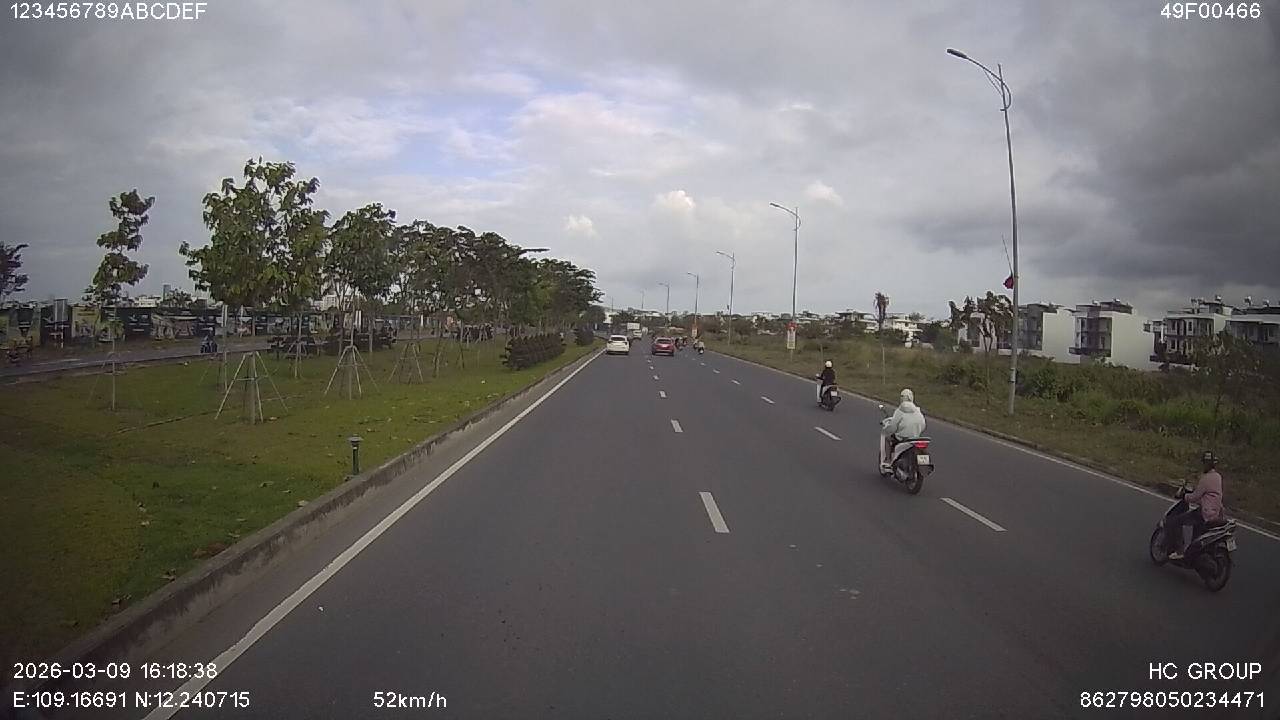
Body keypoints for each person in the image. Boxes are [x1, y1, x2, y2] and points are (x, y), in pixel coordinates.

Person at [1168, 451, 1225, 560]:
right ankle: (1194, 554)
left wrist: (1184, 496)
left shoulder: (1206, 479)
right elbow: (1208, 495)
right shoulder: (1218, 477)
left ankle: (1179, 551)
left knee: (1177, 521)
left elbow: (1195, 497)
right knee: (1196, 527)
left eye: (1205, 463)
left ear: (1208, 464)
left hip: (1205, 513)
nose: (1204, 465)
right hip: (1215, 512)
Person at [880, 388, 927, 471]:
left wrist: (889, 430)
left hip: (902, 438)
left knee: (887, 439)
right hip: (915, 438)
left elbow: (893, 426)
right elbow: (923, 425)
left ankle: (888, 461)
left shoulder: (900, 410)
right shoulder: (917, 410)